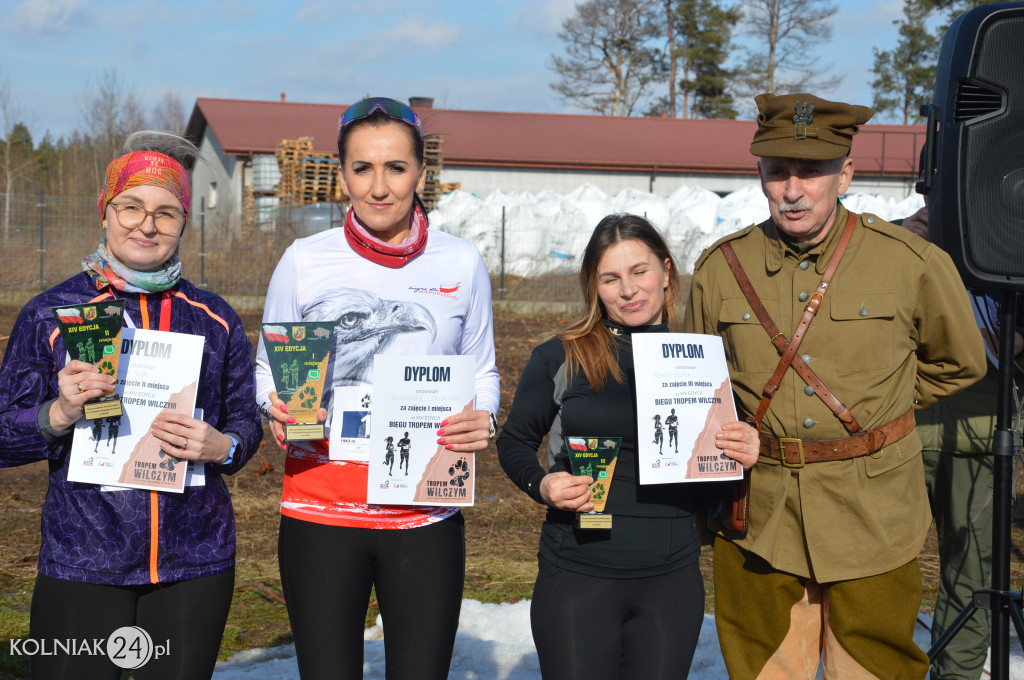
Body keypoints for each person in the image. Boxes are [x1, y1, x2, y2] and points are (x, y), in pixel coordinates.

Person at [685, 93, 987, 679]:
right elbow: (697, 386)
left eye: (811, 172)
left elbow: (960, 362)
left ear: (845, 174)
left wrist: (885, 408)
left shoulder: (911, 262)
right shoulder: (720, 268)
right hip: (759, 515)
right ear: (760, 174)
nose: (792, 190)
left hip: (873, 511)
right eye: (778, 171)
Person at [0, 131, 262, 680]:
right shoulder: (51, 313)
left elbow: (244, 422)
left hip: (194, 563)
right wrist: (58, 414)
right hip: (84, 560)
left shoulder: (214, 318)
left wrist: (224, 446)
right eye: (131, 207)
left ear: (184, 223)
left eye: (166, 213)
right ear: (104, 211)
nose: (147, 225)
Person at [255, 96, 500, 680]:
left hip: (424, 510)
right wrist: (274, 407)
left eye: (396, 167)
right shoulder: (304, 261)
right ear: (343, 175)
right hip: (321, 509)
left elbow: (482, 371)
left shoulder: (461, 262)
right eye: (362, 168)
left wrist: (484, 417)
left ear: (421, 174)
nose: (380, 186)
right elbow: (268, 368)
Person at [497, 214, 760, 680]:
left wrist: (743, 455)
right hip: (576, 572)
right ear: (593, 286)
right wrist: (543, 485)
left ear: (666, 271)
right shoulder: (561, 355)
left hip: (669, 580)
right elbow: (515, 441)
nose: (628, 290)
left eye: (640, 271)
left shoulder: (702, 360)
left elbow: (711, 482)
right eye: (610, 278)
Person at [898, 205, 1024, 680]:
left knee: (971, 574)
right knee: (878, 574)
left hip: (982, 434)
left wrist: (1019, 336)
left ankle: (956, 675)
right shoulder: (899, 239)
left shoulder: (1011, 240)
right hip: (896, 434)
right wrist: (901, 241)